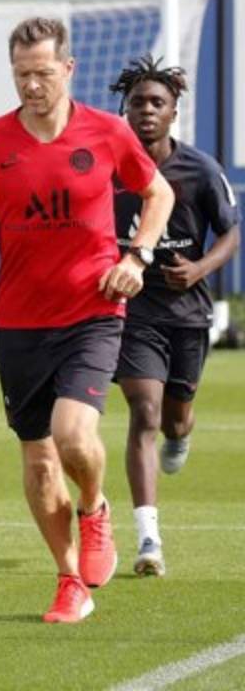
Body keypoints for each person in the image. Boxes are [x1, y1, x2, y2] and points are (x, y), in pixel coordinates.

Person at [0, 18, 174, 623]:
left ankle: (96, 507)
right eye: (22, 74)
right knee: (40, 459)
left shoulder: (106, 132)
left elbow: (159, 196)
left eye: (43, 73)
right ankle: (69, 579)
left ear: (68, 70)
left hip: (92, 311)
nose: (31, 85)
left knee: (74, 436)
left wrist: (137, 256)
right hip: (19, 322)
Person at [108, 55, 240, 577]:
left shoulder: (199, 169)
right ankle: (148, 540)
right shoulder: (108, 167)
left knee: (174, 416)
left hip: (187, 314)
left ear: (173, 112)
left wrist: (201, 269)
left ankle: (182, 432)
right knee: (143, 411)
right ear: (125, 109)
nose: (146, 110)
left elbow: (231, 232)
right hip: (132, 311)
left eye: (156, 102)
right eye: (137, 101)